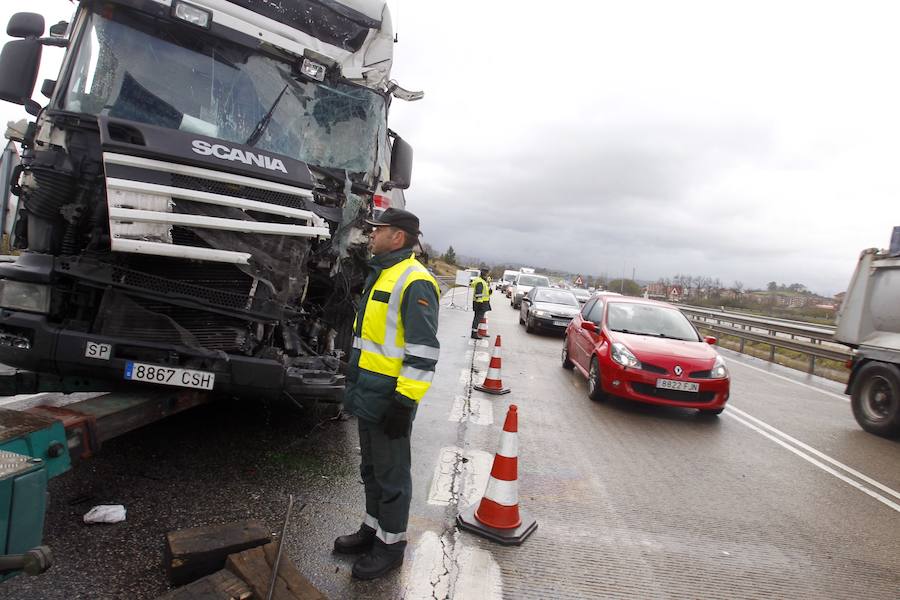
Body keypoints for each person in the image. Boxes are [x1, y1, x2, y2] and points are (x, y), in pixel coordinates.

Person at [333, 208, 441, 580]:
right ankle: (372, 529)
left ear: (397, 237)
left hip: (390, 399)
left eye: (377, 231)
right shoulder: (383, 274)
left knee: (392, 475)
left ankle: (390, 546)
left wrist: (405, 401)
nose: (371, 236)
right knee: (372, 470)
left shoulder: (415, 281)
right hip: (368, 391)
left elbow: (423, 351)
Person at [469, 268, 492, 339]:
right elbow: (478, 294)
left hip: (482, 302)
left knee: (478, 318)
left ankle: (476, 332)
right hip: (480, 303)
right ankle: (474, 333)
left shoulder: (483, 281)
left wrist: (489, 291)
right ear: (484, 274)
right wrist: (480, 304)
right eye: (487, 274)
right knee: (477, 318)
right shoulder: (480, 282)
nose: (488, 276)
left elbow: (485, 292)